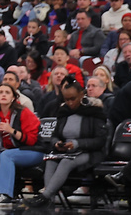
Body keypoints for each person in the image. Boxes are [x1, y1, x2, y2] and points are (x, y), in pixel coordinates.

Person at [26, 76, 108, 207]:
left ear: (81, 95)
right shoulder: (64, 112)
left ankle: (45, 196)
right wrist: (57, 143)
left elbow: (100, 140)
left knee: (66, 162)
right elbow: (54, 136)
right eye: (67, 100)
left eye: (73, 99)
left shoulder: (95, 112)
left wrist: (76, 144)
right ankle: (50, 198)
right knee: (51, 160)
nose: (70, 103)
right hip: (65, 151)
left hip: (89, 151)